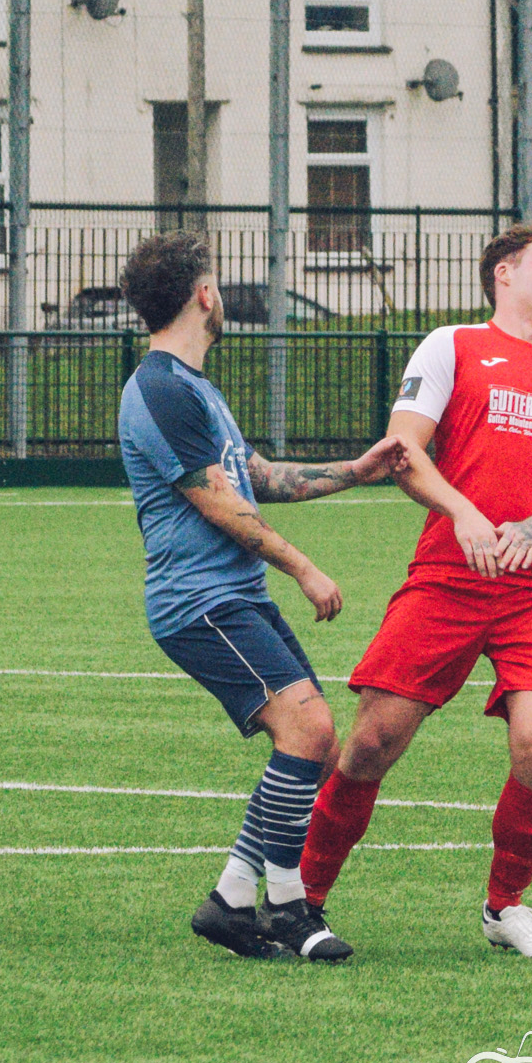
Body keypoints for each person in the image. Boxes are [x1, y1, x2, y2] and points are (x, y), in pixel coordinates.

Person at [298, 222, 532, 961]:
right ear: (503, 272)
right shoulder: (452, 344)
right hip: (448, 573)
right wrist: (467, 513)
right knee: (371, 745)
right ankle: (302, 901)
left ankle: (506, 907)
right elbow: (402, 449)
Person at [113, 232, 405, 963]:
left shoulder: (194, 387)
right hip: (200, 601)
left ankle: (232, 902)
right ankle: (288, 907)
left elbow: (260, 478)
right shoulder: (161, 387)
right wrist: (305, 568)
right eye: (216, 282)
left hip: (229, 596)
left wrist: (357, 469)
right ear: (203, 294)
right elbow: (222, 506)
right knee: (308, 731)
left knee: (311, 735)